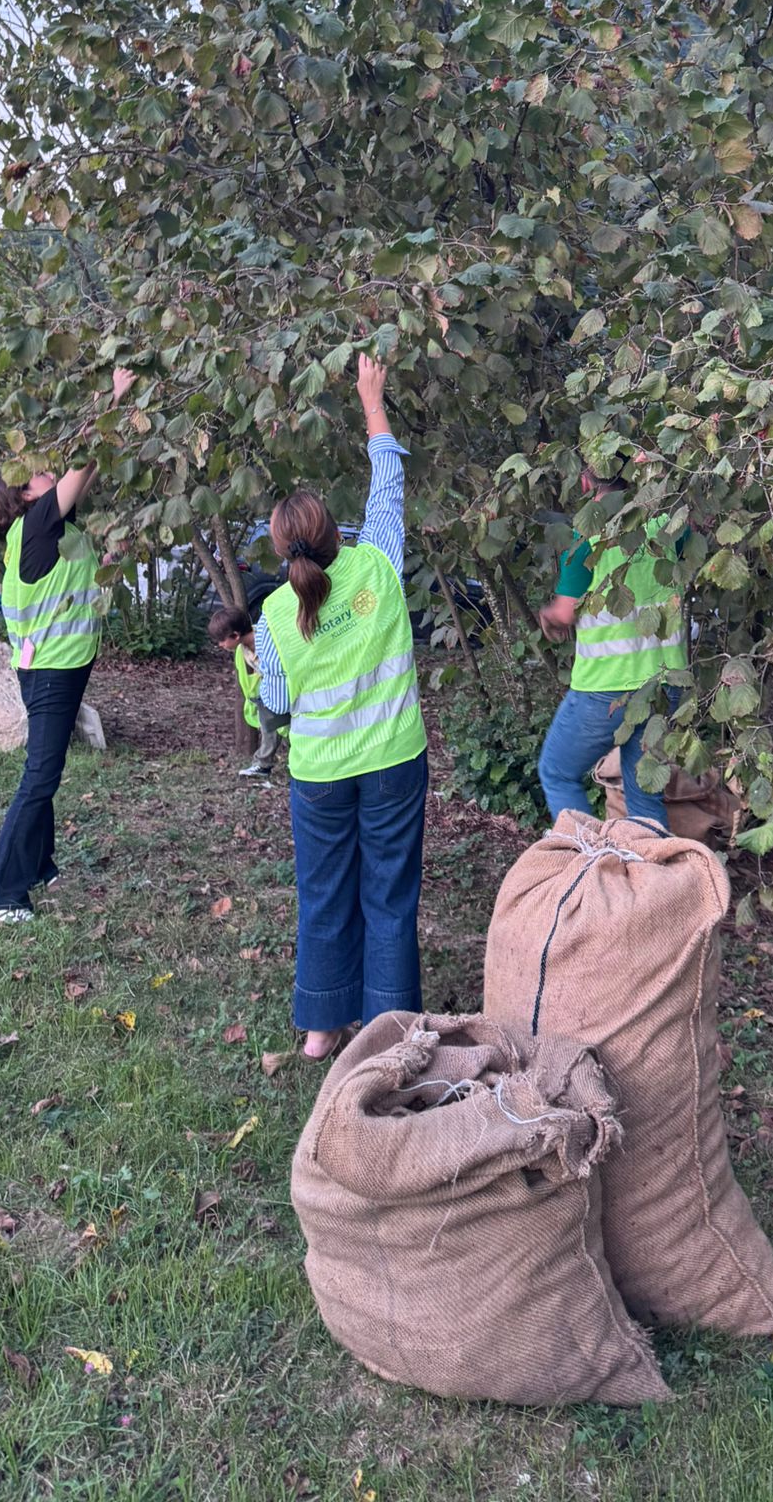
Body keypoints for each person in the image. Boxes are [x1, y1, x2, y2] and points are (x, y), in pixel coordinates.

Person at [255, 354, 426, 1061]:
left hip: (320, 773)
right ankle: (388, 1036)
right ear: (335, 532)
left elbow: (275, 701)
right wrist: (371, 399)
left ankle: (322, 1031)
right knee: (389, 897)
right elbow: (390, 482)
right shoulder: (378, 561)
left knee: (324, 895)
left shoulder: (270, 614)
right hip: (393, 762)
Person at [0, 368, 133, 925]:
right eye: (40, 475)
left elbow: (78, 588)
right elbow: (83, 465)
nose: (51, 476)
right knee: (41, 775)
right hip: (51, 671)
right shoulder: (38, 524)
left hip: (56, 665)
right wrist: (115, 398)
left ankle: (38, 865)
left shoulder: (56, 533)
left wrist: (108, 566)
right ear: (24, 494)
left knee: (46, 765)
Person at [536, 464, 689, 827]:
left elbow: (564, 612)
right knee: (645, 795)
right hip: (666, 685)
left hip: (605, 691)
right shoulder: (668, 525)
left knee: (557, 772)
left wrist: (547, 616)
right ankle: (651, 878)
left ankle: (589, 866)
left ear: (587, 481)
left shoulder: (584, 538)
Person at [208, 604, 286, 786]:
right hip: (269, 693)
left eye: (221, 640)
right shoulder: (243, 648)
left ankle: (297, 765)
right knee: (269, 728)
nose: (220, 645)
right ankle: (263, 765)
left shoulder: (268, 640)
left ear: (235, 635)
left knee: (292, 730)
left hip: (287, 692)